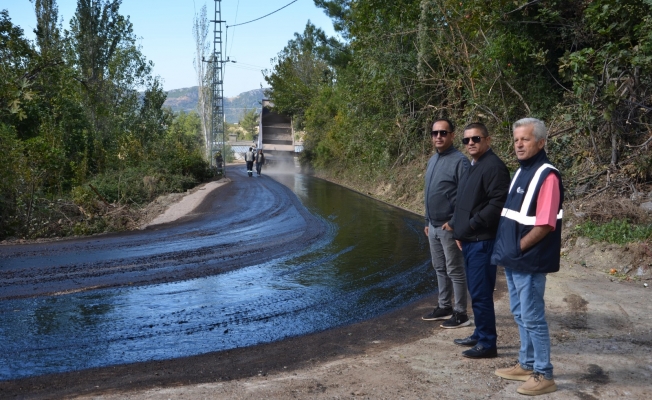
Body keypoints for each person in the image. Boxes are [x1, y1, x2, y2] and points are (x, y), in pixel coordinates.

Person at [491, 118, 564, 395]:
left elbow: (545, 224)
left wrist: (518, 248)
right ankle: (526, 363)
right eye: (516, 139)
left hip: (529, 259)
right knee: (520, 313)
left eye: (525, 139)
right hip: (514, 258)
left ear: (541, 142)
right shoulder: (523, 171)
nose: (518, 145)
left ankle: (544, 374)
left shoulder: (548, 175)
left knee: (533, 317)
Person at [449, 122, 510, 358]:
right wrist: (459, 230)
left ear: (488, 140)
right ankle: (479, 333)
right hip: (470, 240)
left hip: (482, 241)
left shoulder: (493, 166)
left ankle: (487, 343)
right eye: (466, 140)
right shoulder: (474, 165)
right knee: (476, 291)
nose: (471, 143)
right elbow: (465, 202)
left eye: (476, 139)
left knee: (482, 293)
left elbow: (498, 203)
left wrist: (472, 225)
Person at [422, 118, 471, 328]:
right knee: (439, 267)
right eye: (435, 133)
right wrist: (427, 220)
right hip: (432, 226)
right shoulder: (433, 160)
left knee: (455, 270)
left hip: (448, 227)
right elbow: (428, 193)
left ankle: (461, 313)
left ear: (452, 135)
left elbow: (466, 197)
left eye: (443, 133)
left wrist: (453, 222)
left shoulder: (460, 161)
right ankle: (444, 306)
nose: (439, 137)